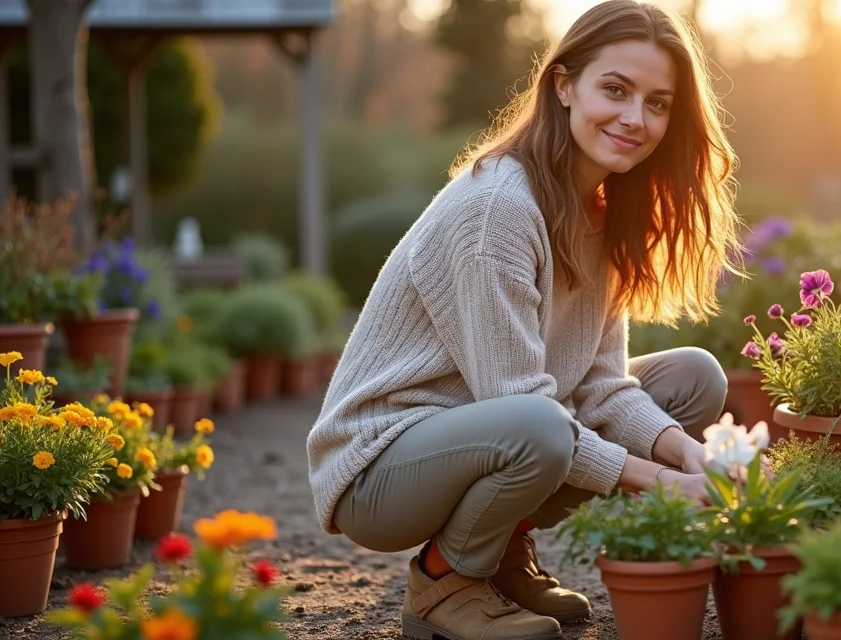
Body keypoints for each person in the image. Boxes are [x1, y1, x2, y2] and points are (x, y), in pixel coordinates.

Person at [306, 1, 743, 638]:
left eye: (657, 102)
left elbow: (599, 386)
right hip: (379, 465)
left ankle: (498, 548)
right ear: (564, 86)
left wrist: (690, 456)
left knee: (692, 380)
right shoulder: (499, 210)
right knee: (539, 424)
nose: (634, 118)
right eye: (615, 90)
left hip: (488, 433)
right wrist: (660, 483)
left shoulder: (600, 209)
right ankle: (445, 580)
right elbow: (519, 403)